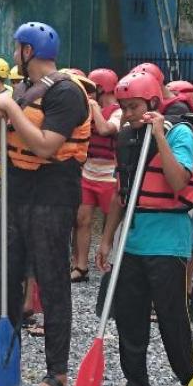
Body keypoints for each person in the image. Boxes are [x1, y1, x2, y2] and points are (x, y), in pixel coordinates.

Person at [0, 22, 91, 386]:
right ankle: (8, 354)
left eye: (17, 48)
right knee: (1, 272)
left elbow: (45, 145)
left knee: (51, 280)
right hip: (17, 191)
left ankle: (57, 373)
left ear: (28, 51)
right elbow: (1, 141)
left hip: (53, 193)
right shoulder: (22, 90)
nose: (14, 54)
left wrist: (10, 107)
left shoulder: (67, 93)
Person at [98, 71, 193, 386]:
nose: (128, 114)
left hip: (168, 244)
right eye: (124, 107)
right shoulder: (127, 137)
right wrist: (107, 239)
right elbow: (121, 194)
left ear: (154, 103)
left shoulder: (179, 133)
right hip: (133, 242)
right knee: (129, 318)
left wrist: (159, 134)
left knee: (173, 320)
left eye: (135, 107)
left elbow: (178, 181)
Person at [74, 67, 121, 282]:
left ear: (101, 88)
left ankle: (111, 265)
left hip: (109, 176)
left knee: (111, 224)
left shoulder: (119, 111)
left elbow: (105, 130)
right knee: (82, 219)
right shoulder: (87, 109)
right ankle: (81, 266)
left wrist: (94, 107)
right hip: (88, 172)